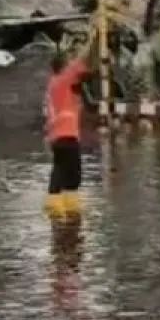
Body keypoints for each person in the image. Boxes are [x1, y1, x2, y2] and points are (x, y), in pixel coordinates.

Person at [44, 39, 92, 217]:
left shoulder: (54, 85)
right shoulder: (63, 81)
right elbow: (82, 60)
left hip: (57, 137)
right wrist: (93, 36)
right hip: (67, 136)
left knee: (60, 170)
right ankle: (65, 207)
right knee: (72, 175)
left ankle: (58, 207)